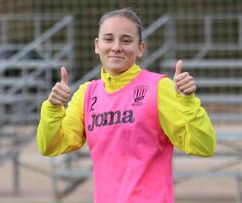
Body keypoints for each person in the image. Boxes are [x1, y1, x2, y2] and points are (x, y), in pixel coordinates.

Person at [37, 7, 216, 203]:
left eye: (126, 40)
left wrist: (188, 101)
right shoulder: (86, 94)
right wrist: (53, 107)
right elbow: (51, 146)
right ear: (97, 45)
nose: (116, 47)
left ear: (141, 48)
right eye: (108, 39)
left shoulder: (159, 88)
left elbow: (203, 146)